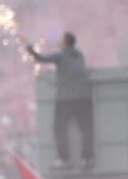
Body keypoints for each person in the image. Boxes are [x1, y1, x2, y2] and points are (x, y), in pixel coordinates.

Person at [26, 32, 93, 170]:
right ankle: (87, 158)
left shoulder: (61, 55)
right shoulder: (79, 55)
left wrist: (30, 49)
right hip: (84, 98)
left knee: (59, 128)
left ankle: (63, 159)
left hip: (66, 99)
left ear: (65, 42)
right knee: (86, 128)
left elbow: (40, 58)